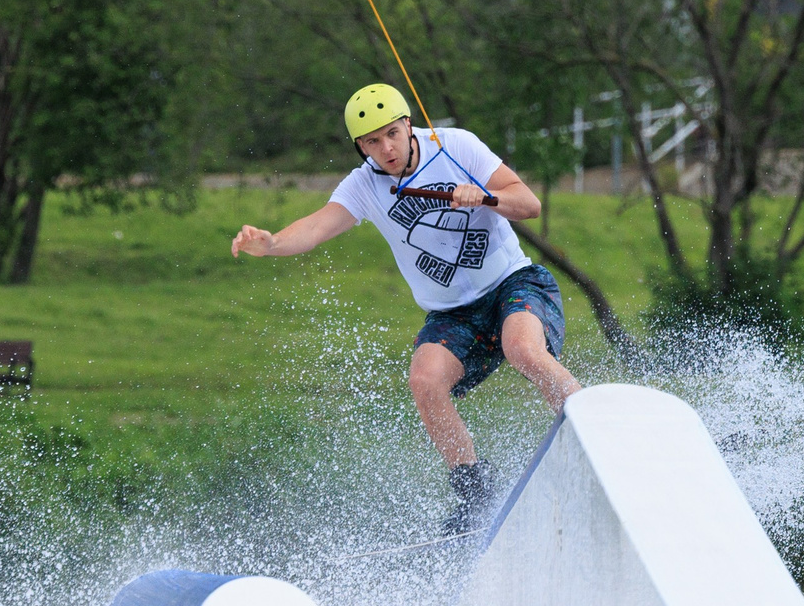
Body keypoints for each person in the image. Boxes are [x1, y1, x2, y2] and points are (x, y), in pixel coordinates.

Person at [231, 83, 581, 533]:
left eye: (392, 134)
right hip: (454, 314)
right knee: (425, 379)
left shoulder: (457, 146)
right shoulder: (364, 185)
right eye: (372, 142)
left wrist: (484, 196)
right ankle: (477, 493)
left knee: (524, 350)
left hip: (513, 284)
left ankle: (596, 432)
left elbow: (529, 205)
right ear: (360, 146)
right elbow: (317, 226)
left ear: (408, 125)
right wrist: (273, 243)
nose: (386, 149)